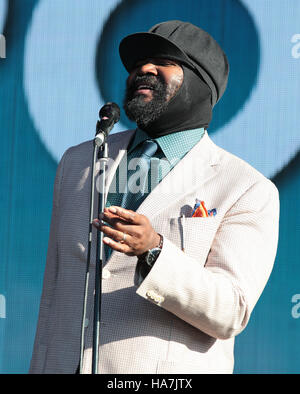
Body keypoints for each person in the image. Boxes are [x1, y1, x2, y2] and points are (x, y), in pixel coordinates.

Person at [29, 20, 279, 374]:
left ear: (200, 82)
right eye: (138, 62)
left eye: (163, 61)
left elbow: (231, 310)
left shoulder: (244, 186)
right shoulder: (80, 161)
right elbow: (54, 292)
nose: (143, 69)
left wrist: (155, 251)